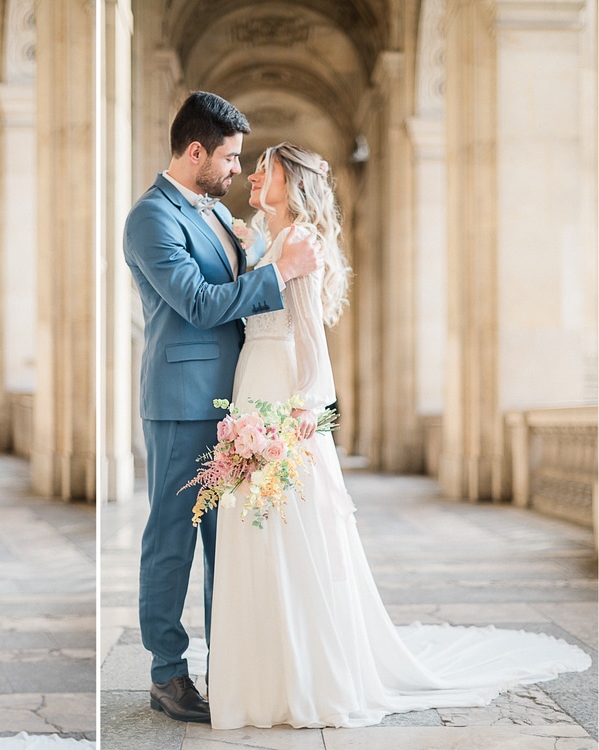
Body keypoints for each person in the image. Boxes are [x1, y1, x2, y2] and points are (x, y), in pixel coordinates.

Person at [208, 142, 591, 729]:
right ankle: (264, 675)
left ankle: (305, 676)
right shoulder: (268, 239)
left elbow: (309, 333)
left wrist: (309, 407)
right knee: (257, 529)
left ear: (295, 185)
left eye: (268, 169)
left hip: (282, 392)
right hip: (251, 382)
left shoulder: (300, 242)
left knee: (288, 530)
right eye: (254, 167)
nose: (255, 174)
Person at [122, 91, 322, 723]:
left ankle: (228, 663)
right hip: (182, 404)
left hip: (237, 403)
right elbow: (202, 303)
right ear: (196, 151)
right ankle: (166, 672)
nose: (239, 170)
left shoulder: (212, 213)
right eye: (231, 157)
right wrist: (279, 270)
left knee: (228, 544)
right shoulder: (152, 218)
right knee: (171, 541)